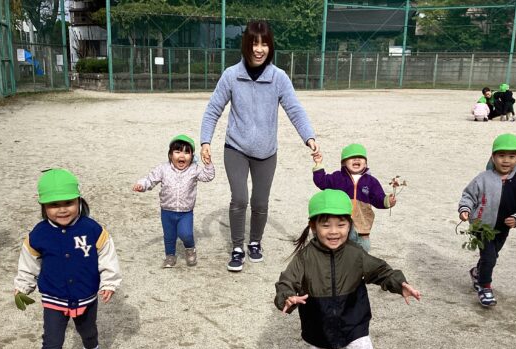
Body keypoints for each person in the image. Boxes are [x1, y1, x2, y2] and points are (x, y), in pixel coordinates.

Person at [274, 190, 421, 349]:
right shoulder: (305, 257)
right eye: (326, 225)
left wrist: (399, 283)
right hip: (318, 321)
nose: (334, 231)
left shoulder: (356, 253)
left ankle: (344, 348)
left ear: (350, 225)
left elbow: (380, 271)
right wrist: (287, 297)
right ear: (313, 226)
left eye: (341, 225)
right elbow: (286, 281)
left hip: (352, 316)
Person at [200, 20, 318, 272]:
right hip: (236, 148)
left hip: (266, 151)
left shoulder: (278, 78)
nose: (259, 49)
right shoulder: (231, 75)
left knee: (261, 202)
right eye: (254, 43)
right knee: (240, 198)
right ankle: (237, 247)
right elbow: (213, 109)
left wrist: (309, 137)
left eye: (264, 44)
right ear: (246, 44)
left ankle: (255, 241)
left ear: (270, 47)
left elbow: (295, 109)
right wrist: (205, 141)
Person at [14, 169, 122, 349]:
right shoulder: (38, 234)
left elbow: (107, 256)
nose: (62, 209)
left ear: (79, 201)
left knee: (88, 330)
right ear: (43, 206)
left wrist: (109, 282)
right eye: (54, 205)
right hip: (54, 296)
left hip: (85, 295)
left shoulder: (92, 229)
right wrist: (23, 286)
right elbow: (29, 262)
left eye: (68, 203)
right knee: (51, 340)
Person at [458, 134, 516, 308]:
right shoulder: (483, 178)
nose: (506, 160)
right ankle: (484, 287)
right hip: (481, 226)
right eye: (501, 155)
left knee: (493, 255)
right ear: (493, 157)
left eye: (511, 156)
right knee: (489, 257)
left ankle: (477, 272)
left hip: (501, 229)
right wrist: (465, 209)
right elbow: (468, 195)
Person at [133, 134, 215, 268]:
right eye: (177, 152)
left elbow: (208, 176)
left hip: (185, 212)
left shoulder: (194, 169)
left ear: (192, 156)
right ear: (170, 155)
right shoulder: (163, 169)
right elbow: (150, 180)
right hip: (167, 211)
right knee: (169, 236)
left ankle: (190, 248)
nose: (182, 156)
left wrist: (208, 164)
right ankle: (170, 256)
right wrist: (142, 185)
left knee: (186, 234)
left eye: (186, 153)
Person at [311, 143, 396, 252]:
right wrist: (318, 163)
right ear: (343, 163)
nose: (356, 159)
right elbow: (321, 181)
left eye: (360, 157)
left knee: (363, 250)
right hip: (342, 223)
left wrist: (387, 201)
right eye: (351, 157)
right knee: (340, 251)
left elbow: (378, 198)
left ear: (366, 163)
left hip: (362, 226)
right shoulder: (338, 177)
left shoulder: (371, 181)